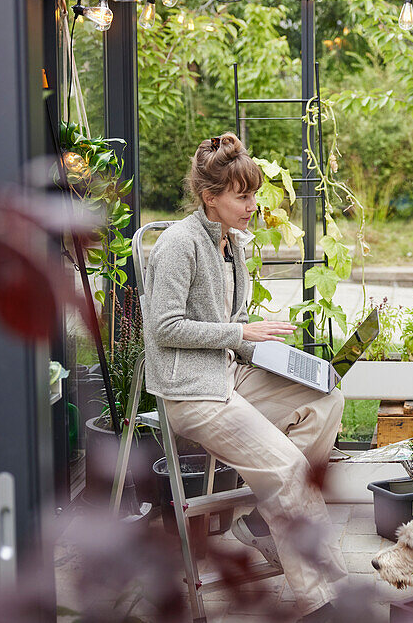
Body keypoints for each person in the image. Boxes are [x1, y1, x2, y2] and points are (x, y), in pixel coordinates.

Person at [142, 133, 345, 623]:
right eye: (243, 196)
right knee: (290, 472)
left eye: (253, 194)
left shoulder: (232, 244)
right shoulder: (178, 245)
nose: (253, 205)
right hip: (193, 393)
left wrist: (268, 350)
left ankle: (258, 521)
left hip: (228, 375)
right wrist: (240, 331)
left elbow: (229, 336)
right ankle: (318, 603)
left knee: (326, 395)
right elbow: (163, 328)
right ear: (211, 197)